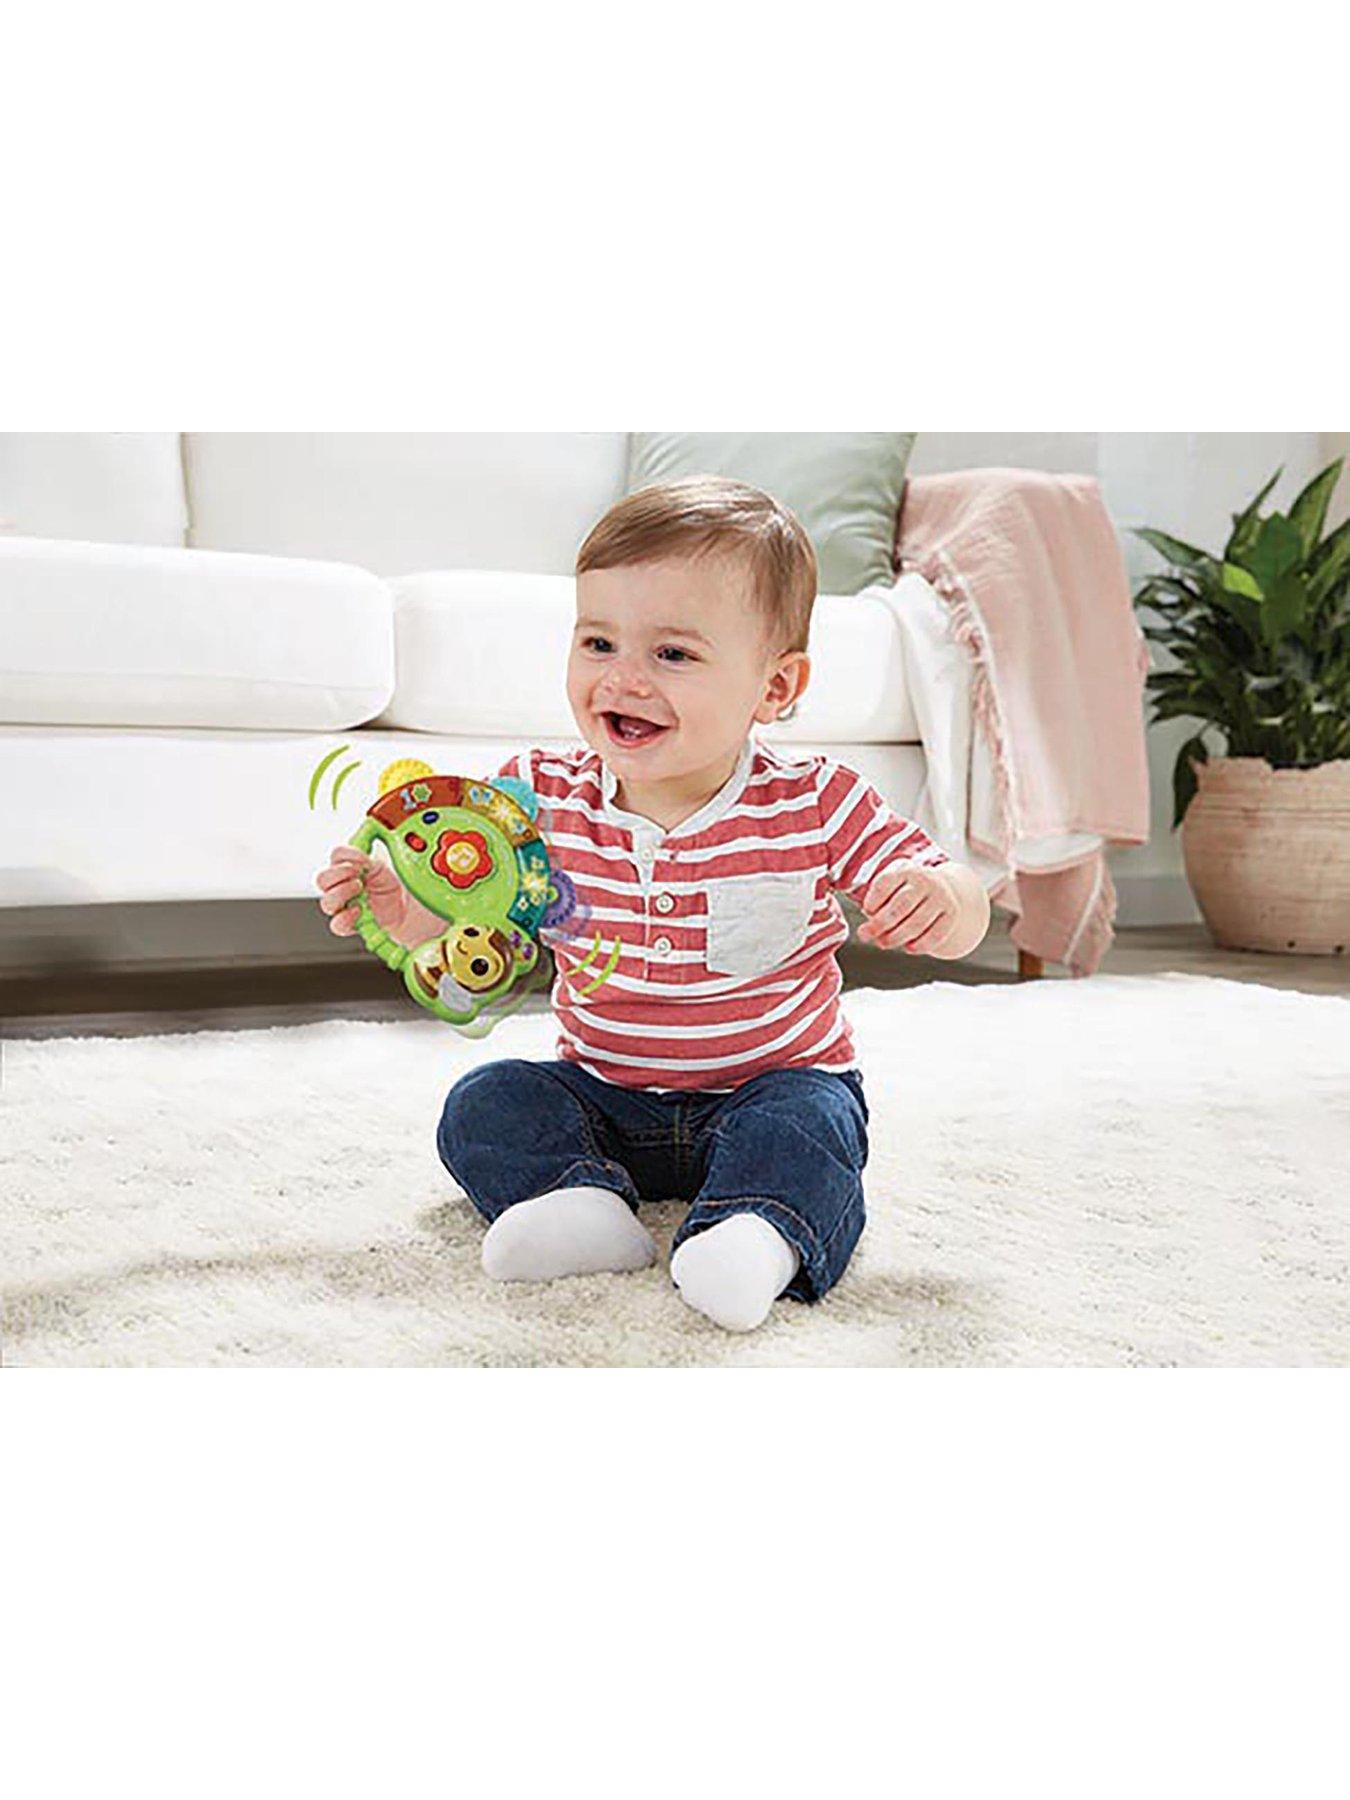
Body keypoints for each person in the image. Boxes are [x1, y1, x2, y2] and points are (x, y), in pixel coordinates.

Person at [316, 477, 990, 1331]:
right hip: (606, 1097)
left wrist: (942, 901)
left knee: (812, 1126)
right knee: (485, 1102)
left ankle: (756, 1235)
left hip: (769, 1089)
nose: (623, 678)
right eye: (598, 643)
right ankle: (578, 1205)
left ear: (775, 688)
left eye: (672, 654)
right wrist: (415, 922)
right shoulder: (534, 797)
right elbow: (486, 944)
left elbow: (958, 894)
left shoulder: (816, 800)